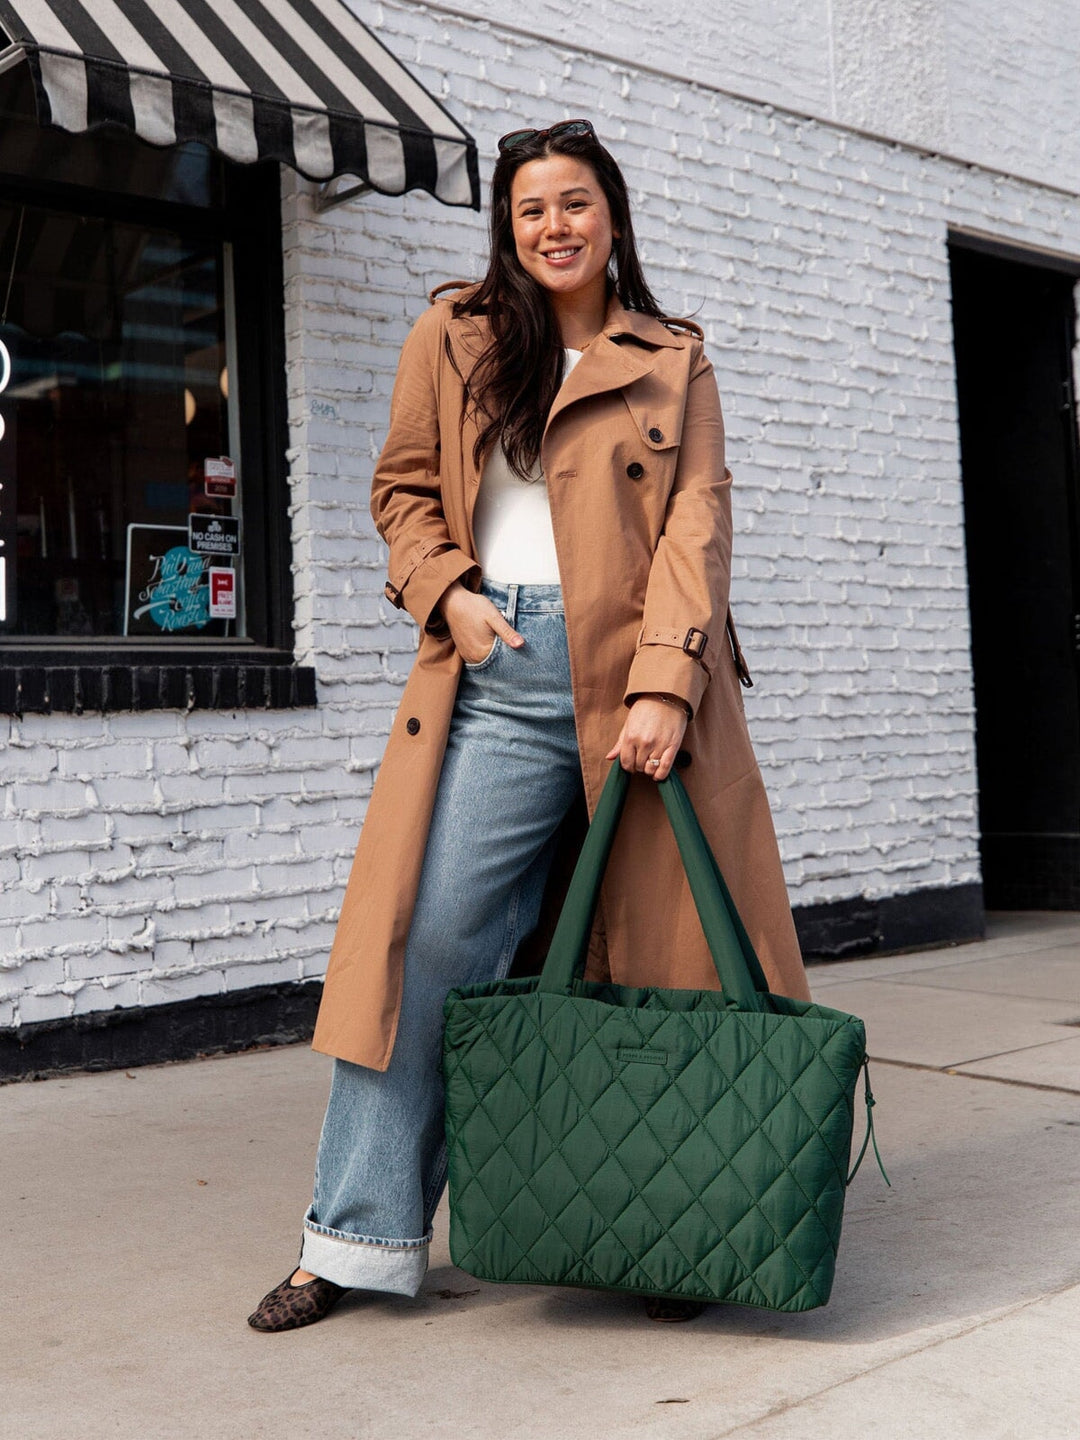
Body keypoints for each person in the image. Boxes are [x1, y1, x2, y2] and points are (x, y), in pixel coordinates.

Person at [248, 118, 810, 1333]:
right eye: (530, 210)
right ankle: (352, 1237)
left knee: (669, 963)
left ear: (613, 215)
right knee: (432, 944)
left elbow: (697, 526)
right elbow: (400, 489)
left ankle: (676, 1233)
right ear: (508, 230)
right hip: (498, 669)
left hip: (640, 680)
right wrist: (447, 593)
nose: (554, 226)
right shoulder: (455, 337)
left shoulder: (673, 358)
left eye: (575, 203)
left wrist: (667, 682)